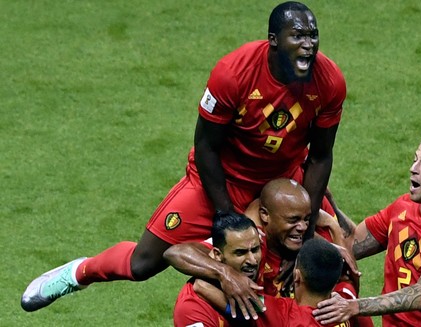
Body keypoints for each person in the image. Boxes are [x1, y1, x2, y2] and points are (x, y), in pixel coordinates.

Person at [21, 1, 346, 313]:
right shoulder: (233, 73)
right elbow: (206, 147)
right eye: (298, 36)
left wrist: (306, 227)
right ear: (274, 41)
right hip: (221, 178)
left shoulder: (329, 81)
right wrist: (226, 217)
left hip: (282, 187)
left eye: (313, 36)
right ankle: (79, 273)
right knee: (143, 263)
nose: (308, 45)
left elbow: (320, 156)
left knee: (323, 260)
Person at [313, 130, 421, 326]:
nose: (413, 168)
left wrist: (353, 306)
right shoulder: (402, 207)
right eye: (415, 159)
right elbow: (351, 245)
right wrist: (328, 207)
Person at [165, 178, 371, 326]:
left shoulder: (291, 316)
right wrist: (334, 233)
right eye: (293, 220)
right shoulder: (347, 302)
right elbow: (177, 253)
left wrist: (212, 283)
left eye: (307, 220)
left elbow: (257, 310)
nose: (253, 259)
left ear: (297, 277)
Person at [196, 238, 351, 327]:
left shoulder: (281, 314)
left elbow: (201, 286)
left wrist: (225, 274)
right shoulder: (349, 305)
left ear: (296, 276)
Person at [172, 211, 262, 327]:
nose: (253, 260)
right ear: (217, 255)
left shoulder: (250, 242)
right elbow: (174, 252)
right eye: (240, 253)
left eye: (255, 250)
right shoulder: (192, 309)